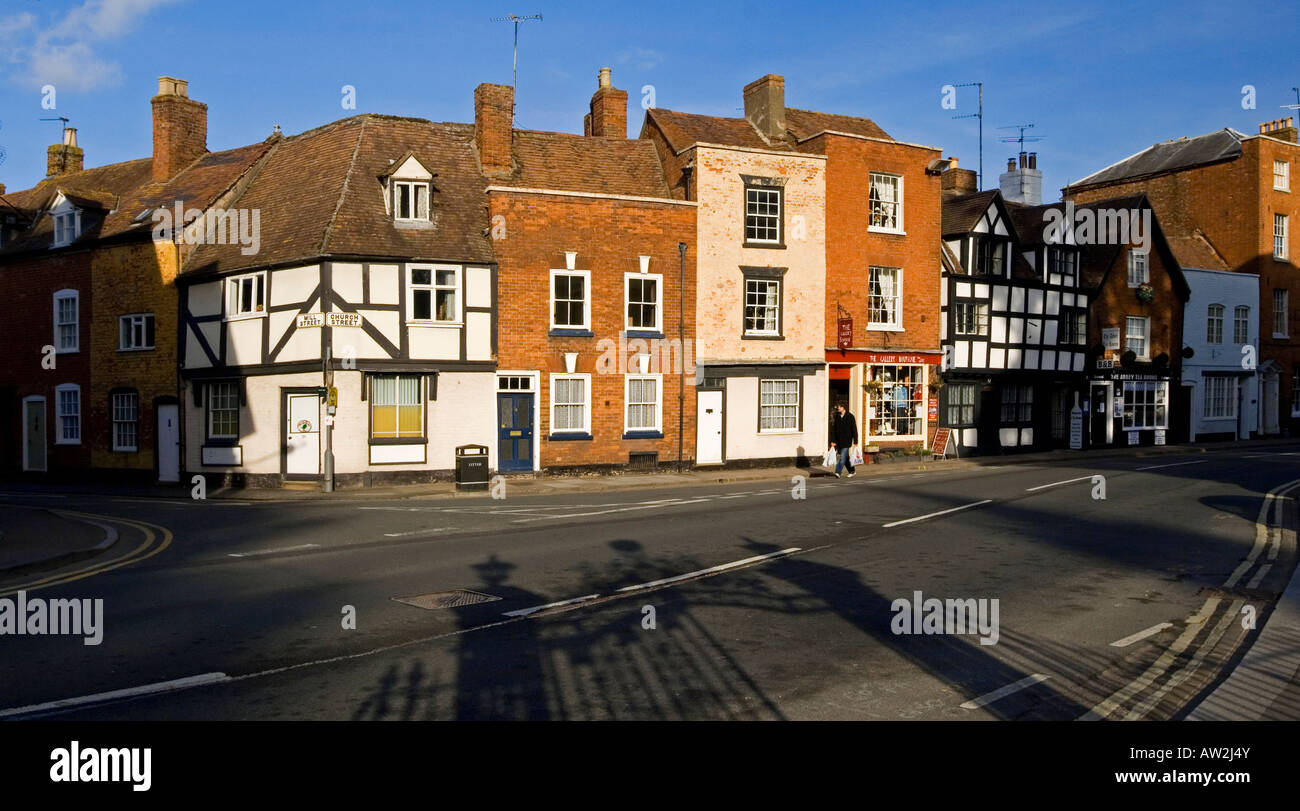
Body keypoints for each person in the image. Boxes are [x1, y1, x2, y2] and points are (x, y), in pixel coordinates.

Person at [830, 404, 858, 478]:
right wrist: (833, 441)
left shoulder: (850, 416)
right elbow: (834, 430)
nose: (838, 408)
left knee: (842, 457)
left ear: (843, 407)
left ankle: (838, 472)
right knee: (845, 457)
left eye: (839, 406)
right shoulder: (837, 417)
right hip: (839, 441)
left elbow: (854, 429)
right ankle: (852, 471)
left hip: (847, 441)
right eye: (838, 407)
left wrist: (855, 440)